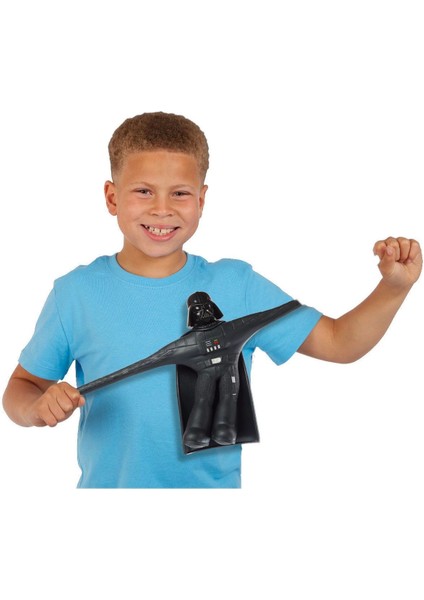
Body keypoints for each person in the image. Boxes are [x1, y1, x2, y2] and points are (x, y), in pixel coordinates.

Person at [2, 112, 422, 488]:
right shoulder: (76, 293)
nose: (162, 209)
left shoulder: (238, 285)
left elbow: (339, 341)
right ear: (112, 197)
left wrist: (394, 288)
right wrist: (36, 409)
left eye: (180, 194)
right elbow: (20, 390)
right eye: (144, 191)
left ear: (202, 200)